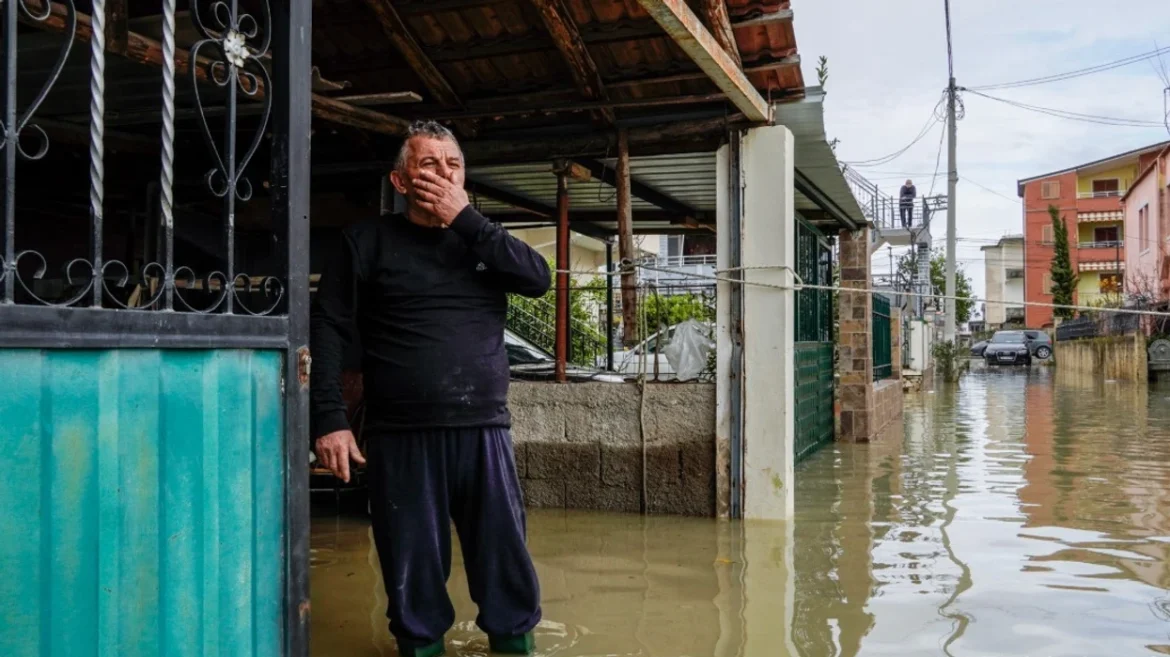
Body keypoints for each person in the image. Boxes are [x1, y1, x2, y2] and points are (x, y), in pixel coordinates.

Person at [310, 121, 548, 657]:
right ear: (400, 181)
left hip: (484, 429)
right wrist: (329, 419)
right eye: (428, 164)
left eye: (453, 165)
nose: (443, 173)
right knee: (410, 568)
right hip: (399, 433)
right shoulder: (365, 242)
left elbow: (537, 279)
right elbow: (328, 329)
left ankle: (515, 645)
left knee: (504, 559)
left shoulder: (483, 240)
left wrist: (466, 220)